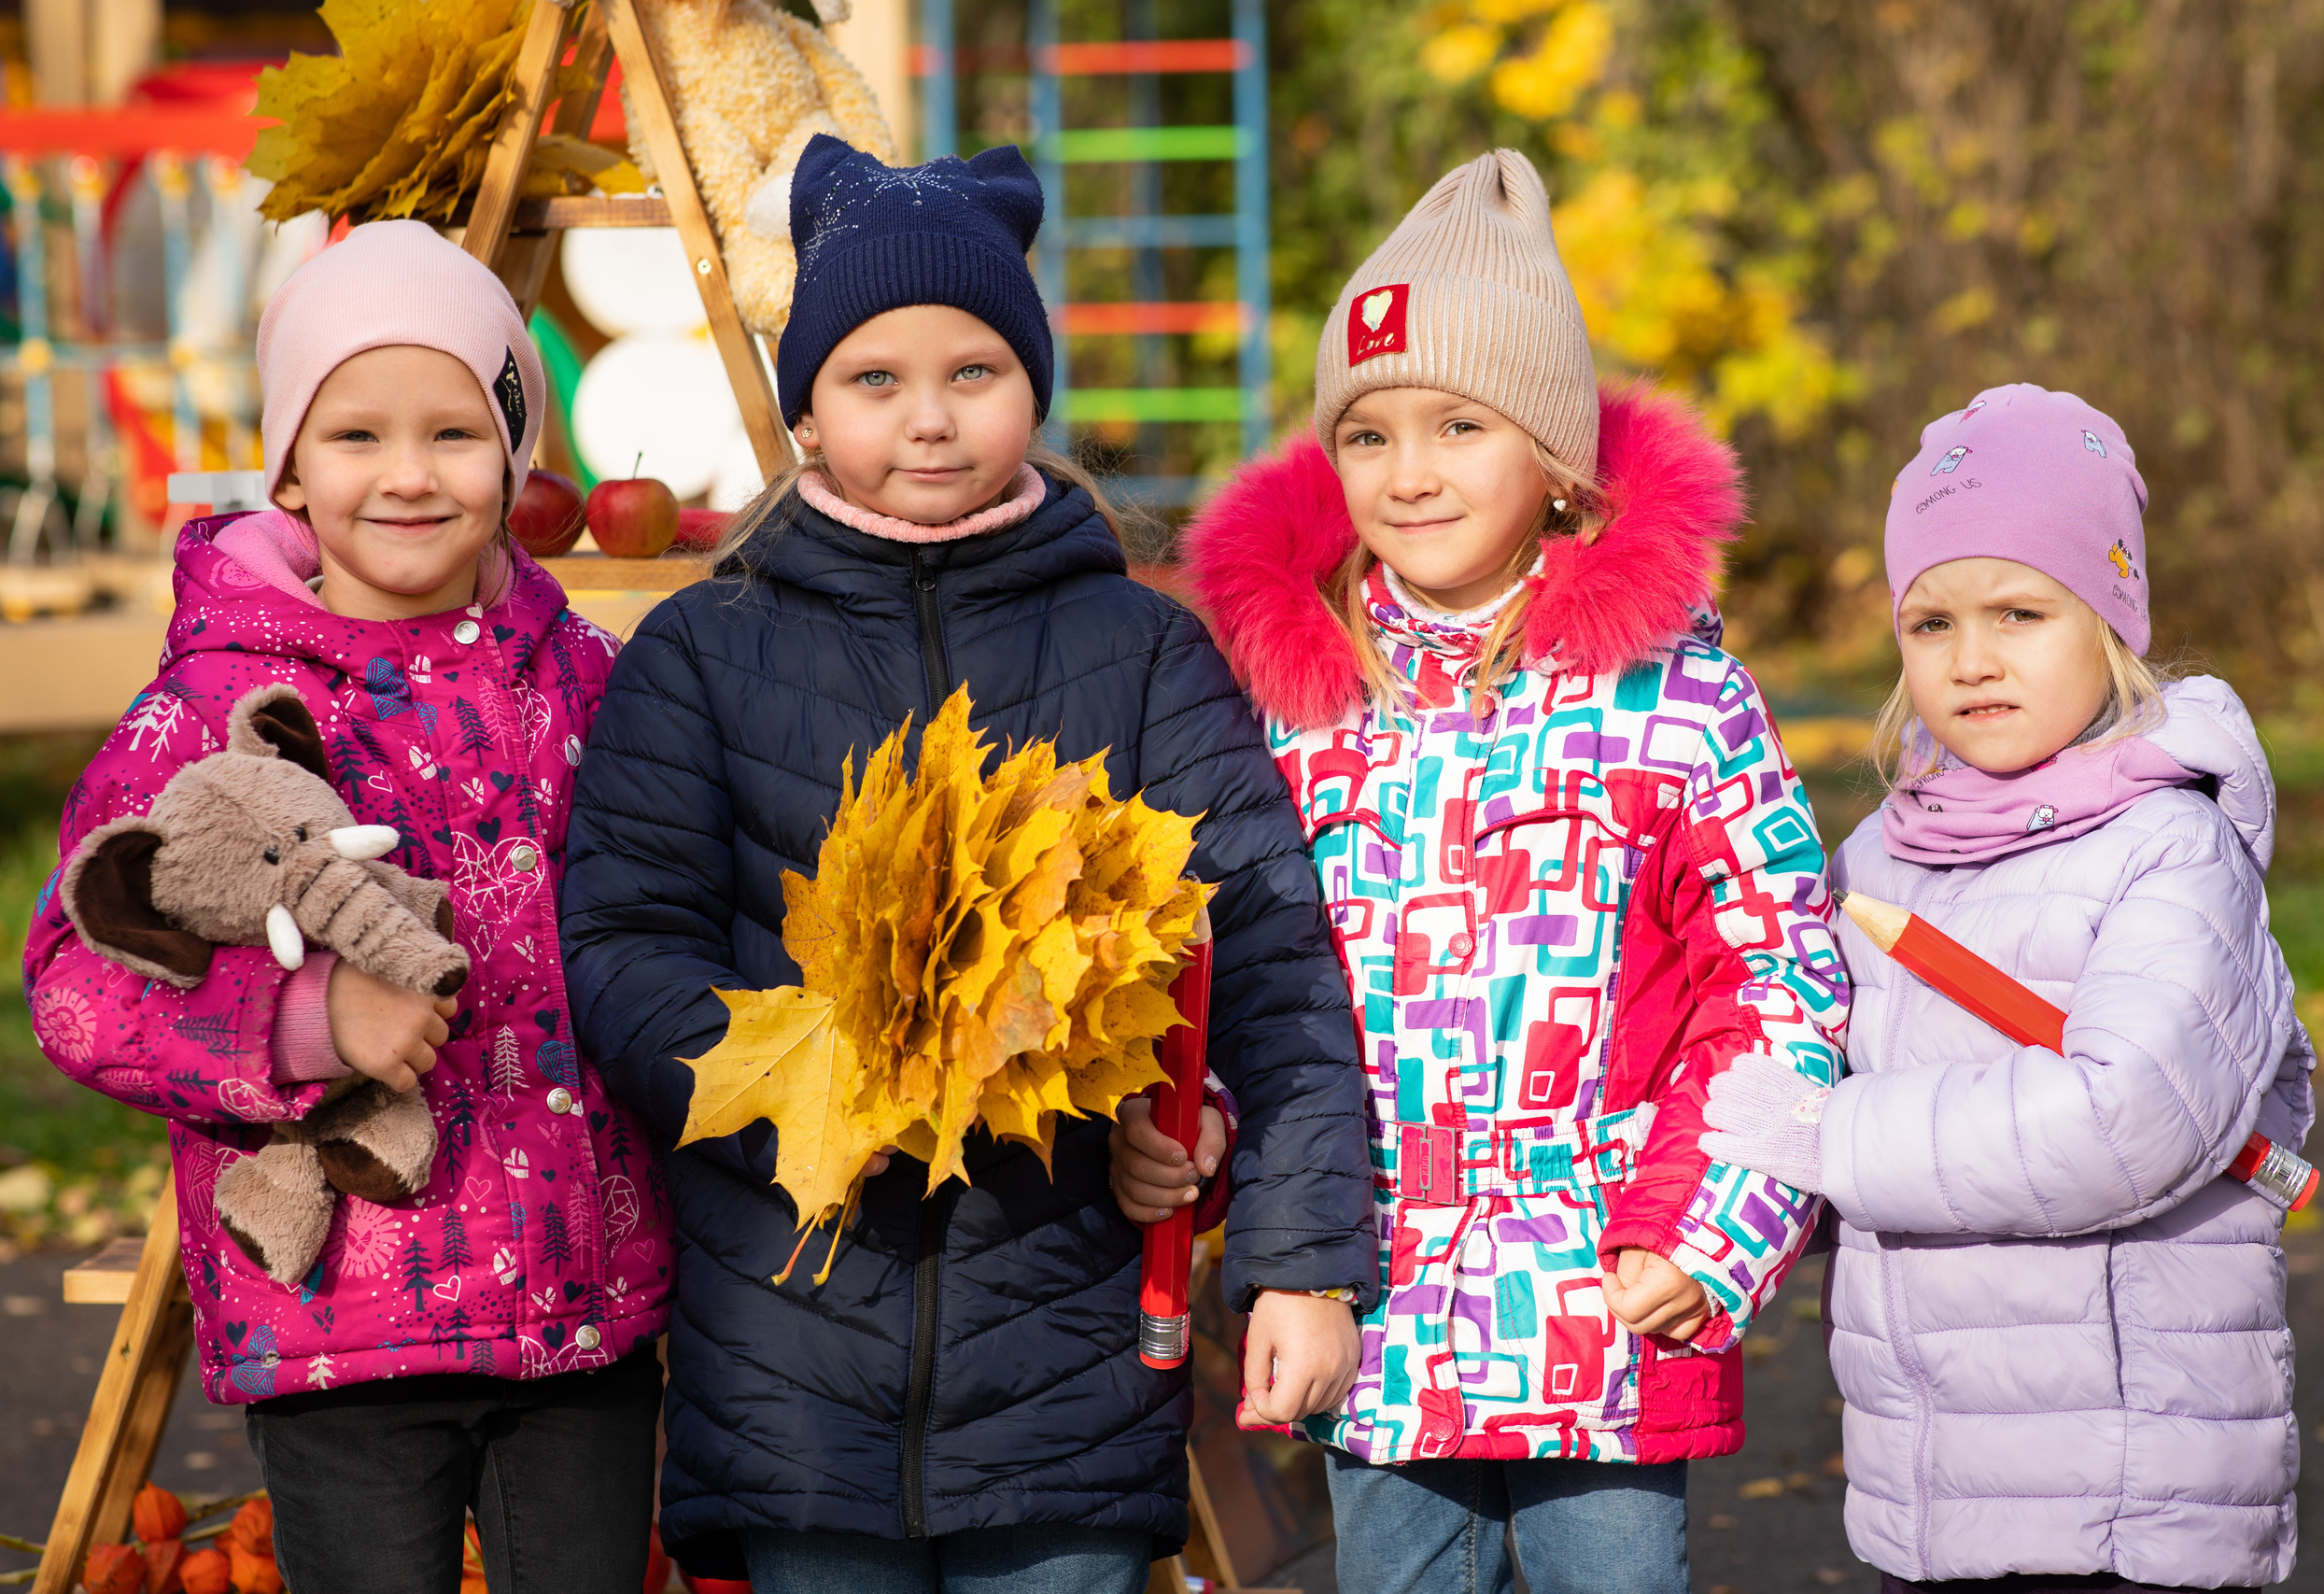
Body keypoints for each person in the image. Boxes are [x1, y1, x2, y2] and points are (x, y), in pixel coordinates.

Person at [556, 136, 1375, 1594]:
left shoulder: (1140, 649)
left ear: (1032, 390)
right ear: (805, 410)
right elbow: (624, 948)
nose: (928, 420)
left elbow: (1265, 963)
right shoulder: (703, 651)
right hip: (795, 1355)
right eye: (876, 380)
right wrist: (831, 1092)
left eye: (974, 373)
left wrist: (1236, 1158)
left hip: (1068, 1362)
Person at [1152, 149, 1850, 1594]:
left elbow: (1782, 978)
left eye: (1461, 425)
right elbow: (1246, 980)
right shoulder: (1292, 706)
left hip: (1604, 1310)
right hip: (1378, 1313)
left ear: (1557, 456)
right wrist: (1209, 1140)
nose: (1409, 475)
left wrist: (1710, 1240)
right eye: (1370, 436)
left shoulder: (1675, 700)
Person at [21, 220, 672, 1594]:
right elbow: (78, 984)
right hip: (345, 1321)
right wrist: (308, 1017)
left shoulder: (588, 680)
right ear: (292, 467)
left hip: (581, 1308)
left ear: (515, 452)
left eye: (453, 432)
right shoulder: (209, 703)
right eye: (357, 436)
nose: (408, 476)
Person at [1700, 383, 2308, 1593]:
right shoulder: (1882, 857)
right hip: (1930, 1489)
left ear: (2112, 625)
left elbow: (2119, 1123)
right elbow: (1819, 1088)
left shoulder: (2171, 849)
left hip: (2130, 1505)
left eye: (2020, 612)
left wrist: (1826, 1137)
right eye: (1931, 624)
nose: (1972, 660)